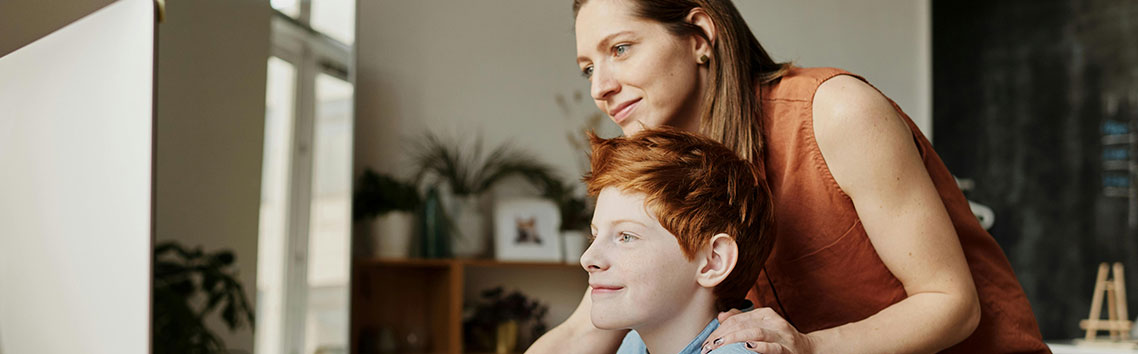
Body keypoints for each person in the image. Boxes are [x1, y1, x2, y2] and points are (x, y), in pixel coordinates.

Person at [528, 0, 1050, 353]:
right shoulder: (667, 169)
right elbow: (584, 329)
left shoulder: (836, 111)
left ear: (700, 35)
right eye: (588, 68)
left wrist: (809, 345)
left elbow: (952, 304)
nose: (601, 87)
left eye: (620, 49)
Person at [581, 127, 774, 354]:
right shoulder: (635, 346)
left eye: (626, 237)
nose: (588, 258)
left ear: (713, 260)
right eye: (595, 236)